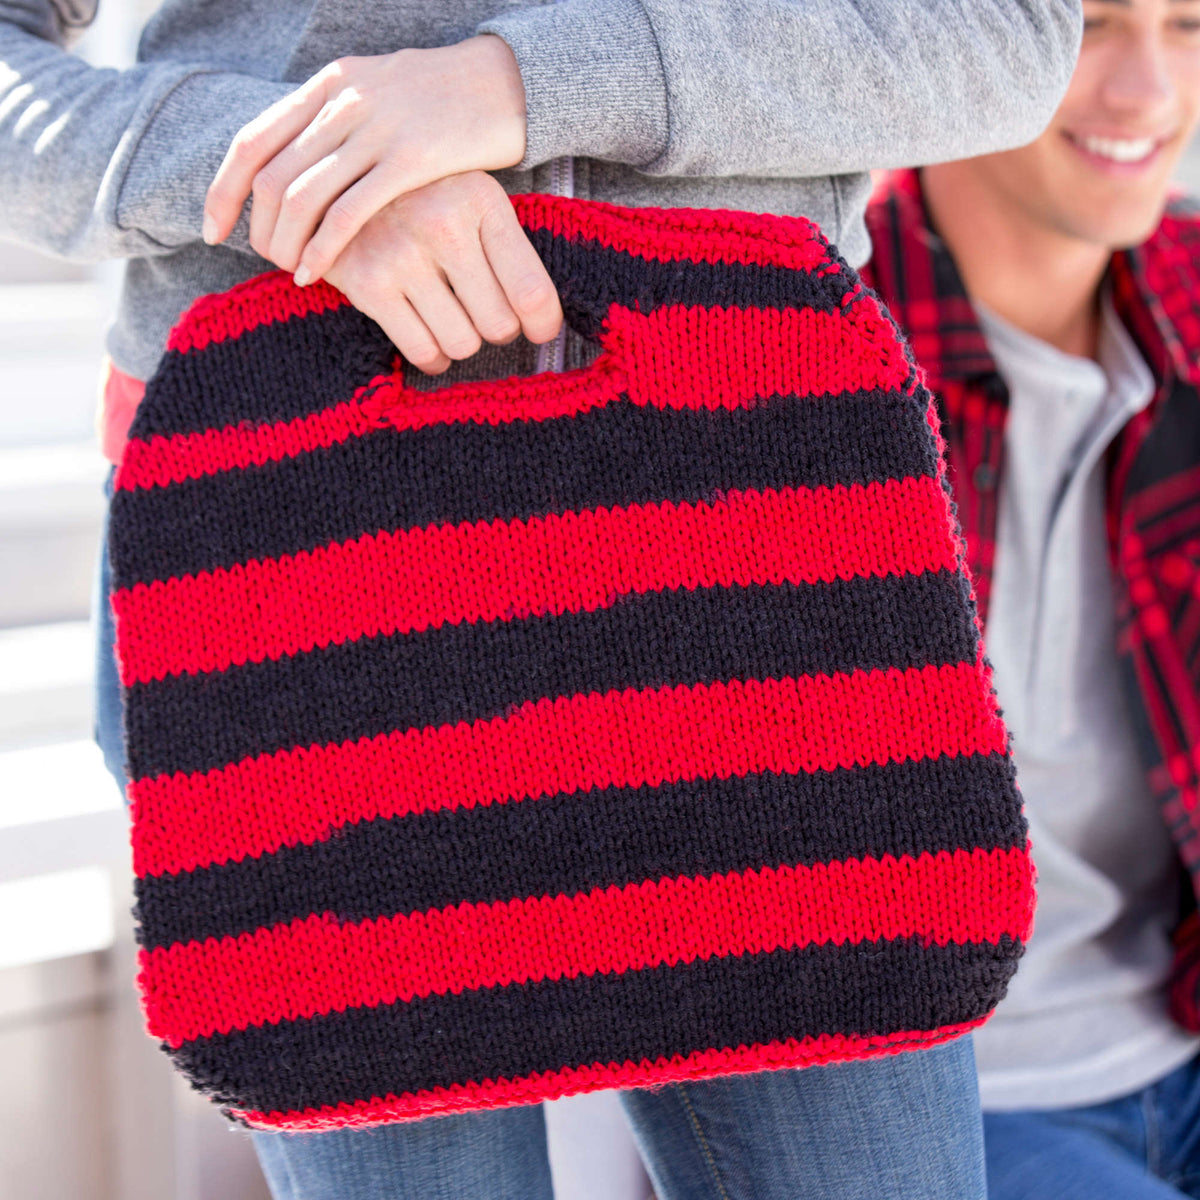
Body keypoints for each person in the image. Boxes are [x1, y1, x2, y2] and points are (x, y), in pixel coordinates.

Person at [0, 2, 1083, 1197]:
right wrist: (296, 170)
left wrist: (518, 84)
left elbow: (1005, 36)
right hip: (305, 559)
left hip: (750, 537)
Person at [862, 1, 1200, 1195]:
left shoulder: (1194, 304)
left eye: (1190, 25)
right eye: (1089, 25)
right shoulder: (810, 350)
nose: (1149, 94)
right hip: (952, 1101)